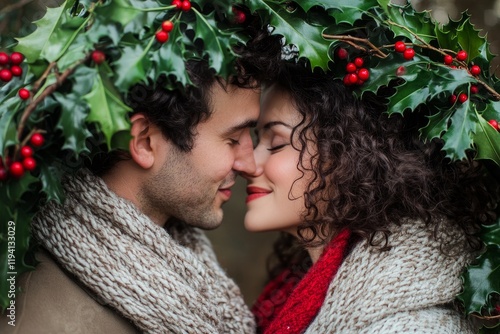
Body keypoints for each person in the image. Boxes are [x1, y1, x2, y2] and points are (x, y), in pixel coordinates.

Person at [0, 26, 282, 334]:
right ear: (145, 142)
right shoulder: (48, 321)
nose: (250, 164)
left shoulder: (184, 267)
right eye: (232, 139)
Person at [244, 61, 494, 333]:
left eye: (277, 143)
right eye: (258, 140)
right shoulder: (291, 295)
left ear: (348, 157)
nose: (247, 164)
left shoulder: (414, 328)